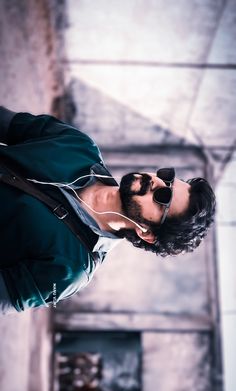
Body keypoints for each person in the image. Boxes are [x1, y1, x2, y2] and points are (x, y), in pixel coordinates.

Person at [0, 106, 216, 314]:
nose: (155, 182)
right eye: (166, 178)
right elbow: (7, 123)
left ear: (147, 233)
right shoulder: (80, 146)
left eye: (163, 198)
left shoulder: (72, 270)